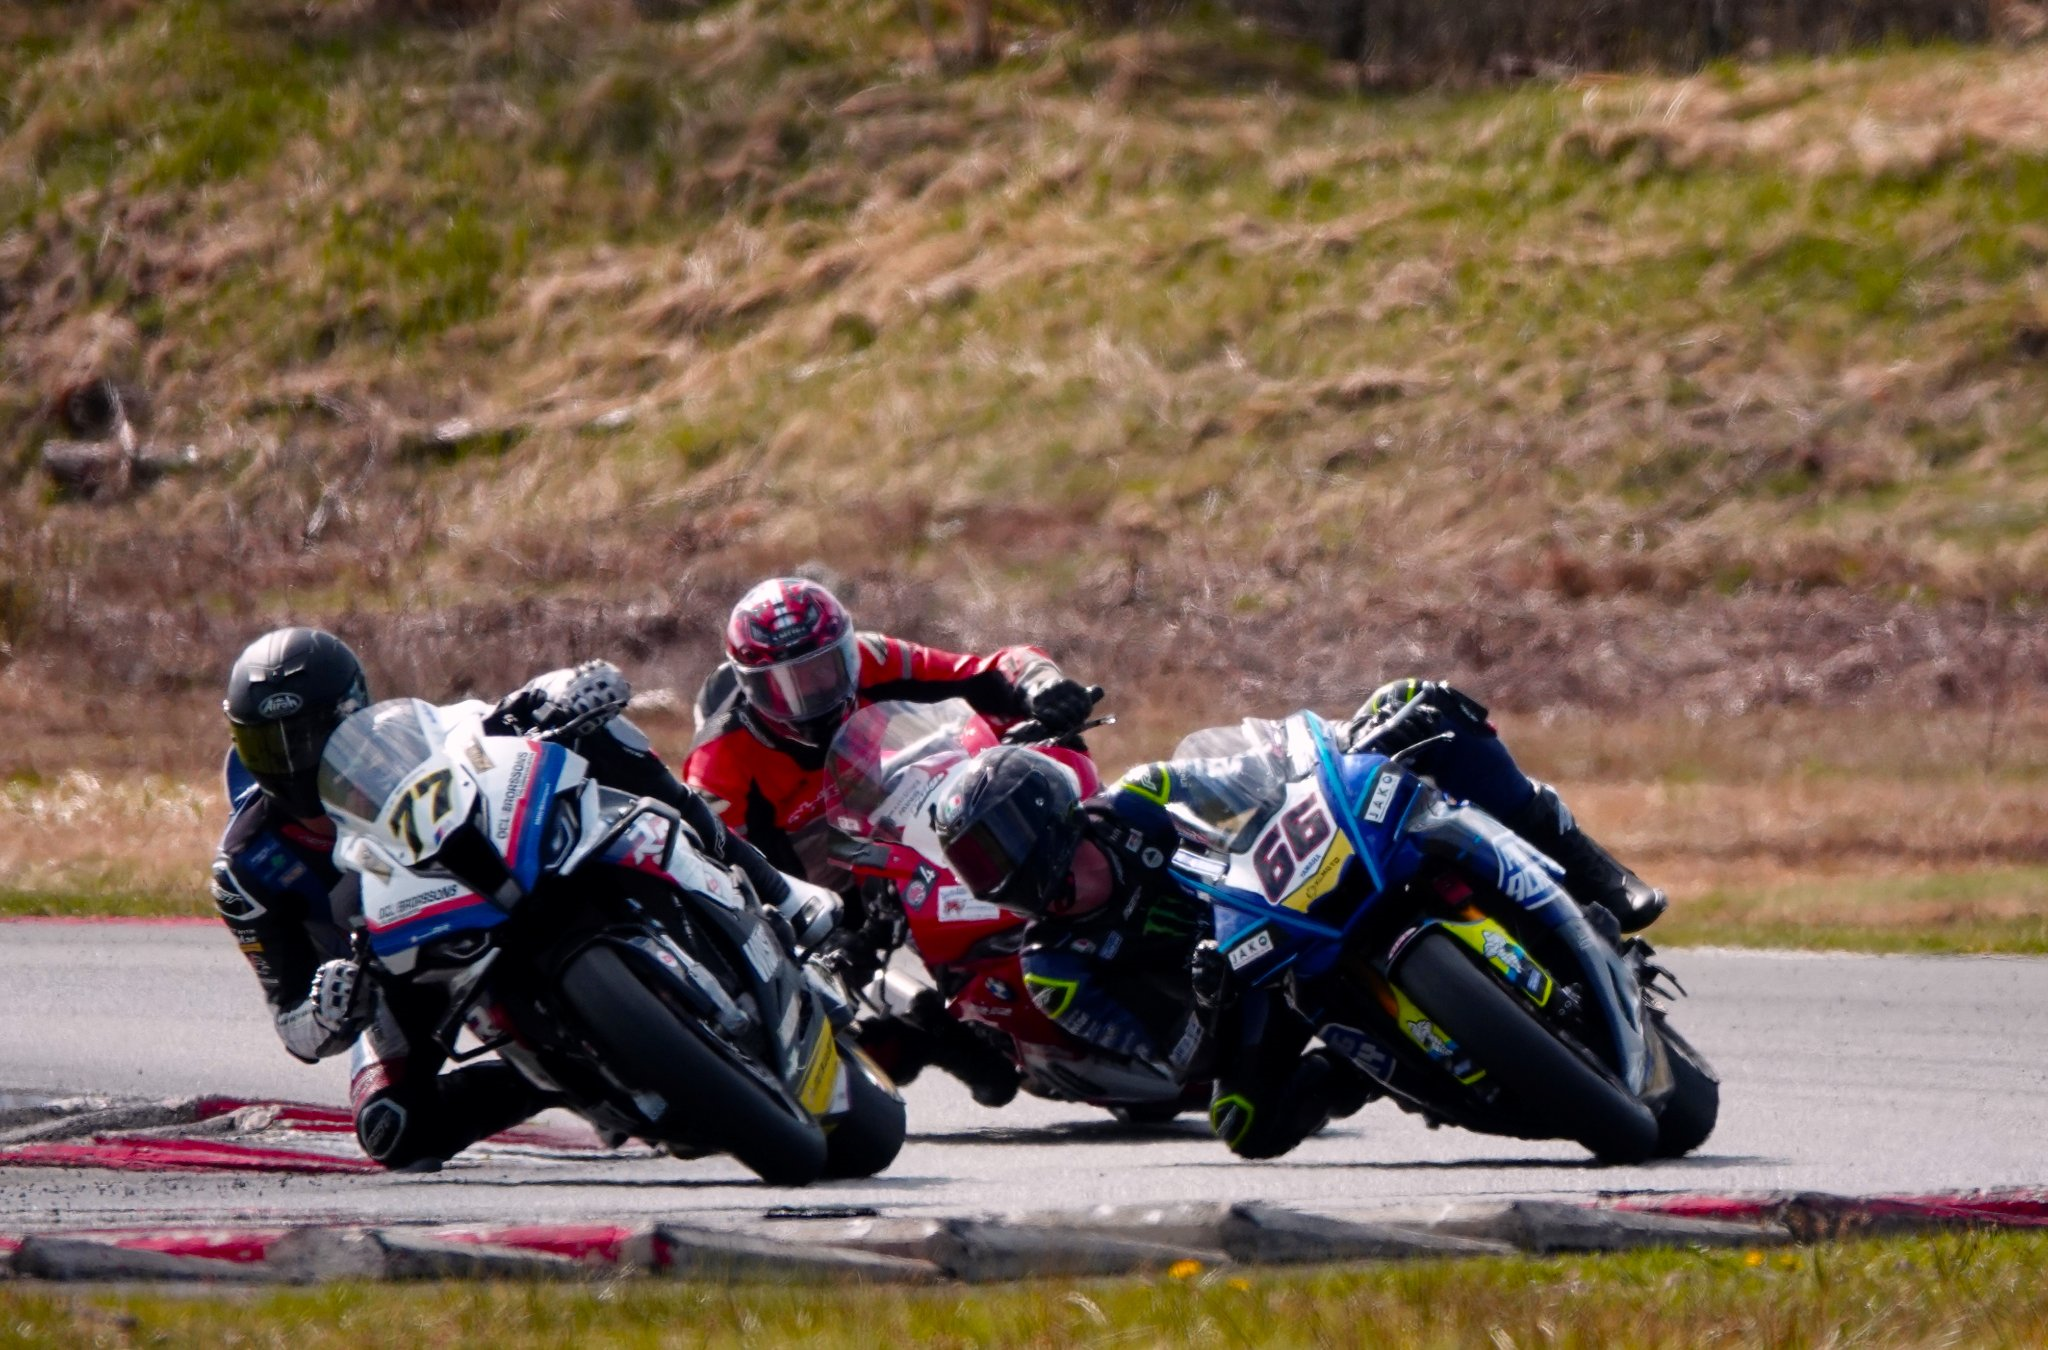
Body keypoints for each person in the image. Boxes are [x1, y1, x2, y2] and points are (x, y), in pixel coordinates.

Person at [930, 678, 1668, 1160]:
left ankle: (1598, 876)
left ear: (1045, 815)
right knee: (1246, 1124)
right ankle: (1370, 1064)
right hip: (1252, 986)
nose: (994, 873)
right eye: (975, 864)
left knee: (1425, 705)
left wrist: (1349, 739)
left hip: (1294, 881)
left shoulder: (1140, 798)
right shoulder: (1055, 968)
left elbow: (1256, 773)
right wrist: (1210, 1000)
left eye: (995, 847)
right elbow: (1175, 1061)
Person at [212, 627, 835, 1170]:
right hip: (395, 974)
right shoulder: (246, 867)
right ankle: (556, 1075)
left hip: (494, 872)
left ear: (356, 710)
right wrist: (326, 1009)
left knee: (603, 734)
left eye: (312, 735)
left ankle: (769, 887)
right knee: (392, 1131)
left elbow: (507, 710)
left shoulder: (412, 735)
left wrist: (573, 690)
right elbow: (294, 1026)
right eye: (270, 746)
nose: (295, 762)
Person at [683, 577, 1097, 1104]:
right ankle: (922, 1029)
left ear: (847, 652)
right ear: (749, 687)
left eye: (822, 670)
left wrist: (1043, 687)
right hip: (808, 880)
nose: (809, 696)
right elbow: (723, 872)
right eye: (783, 686)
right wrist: (808, 930)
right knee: (869, 1016)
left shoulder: (875, 657)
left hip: (897, 811)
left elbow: (989, 671)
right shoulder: (718, 760)